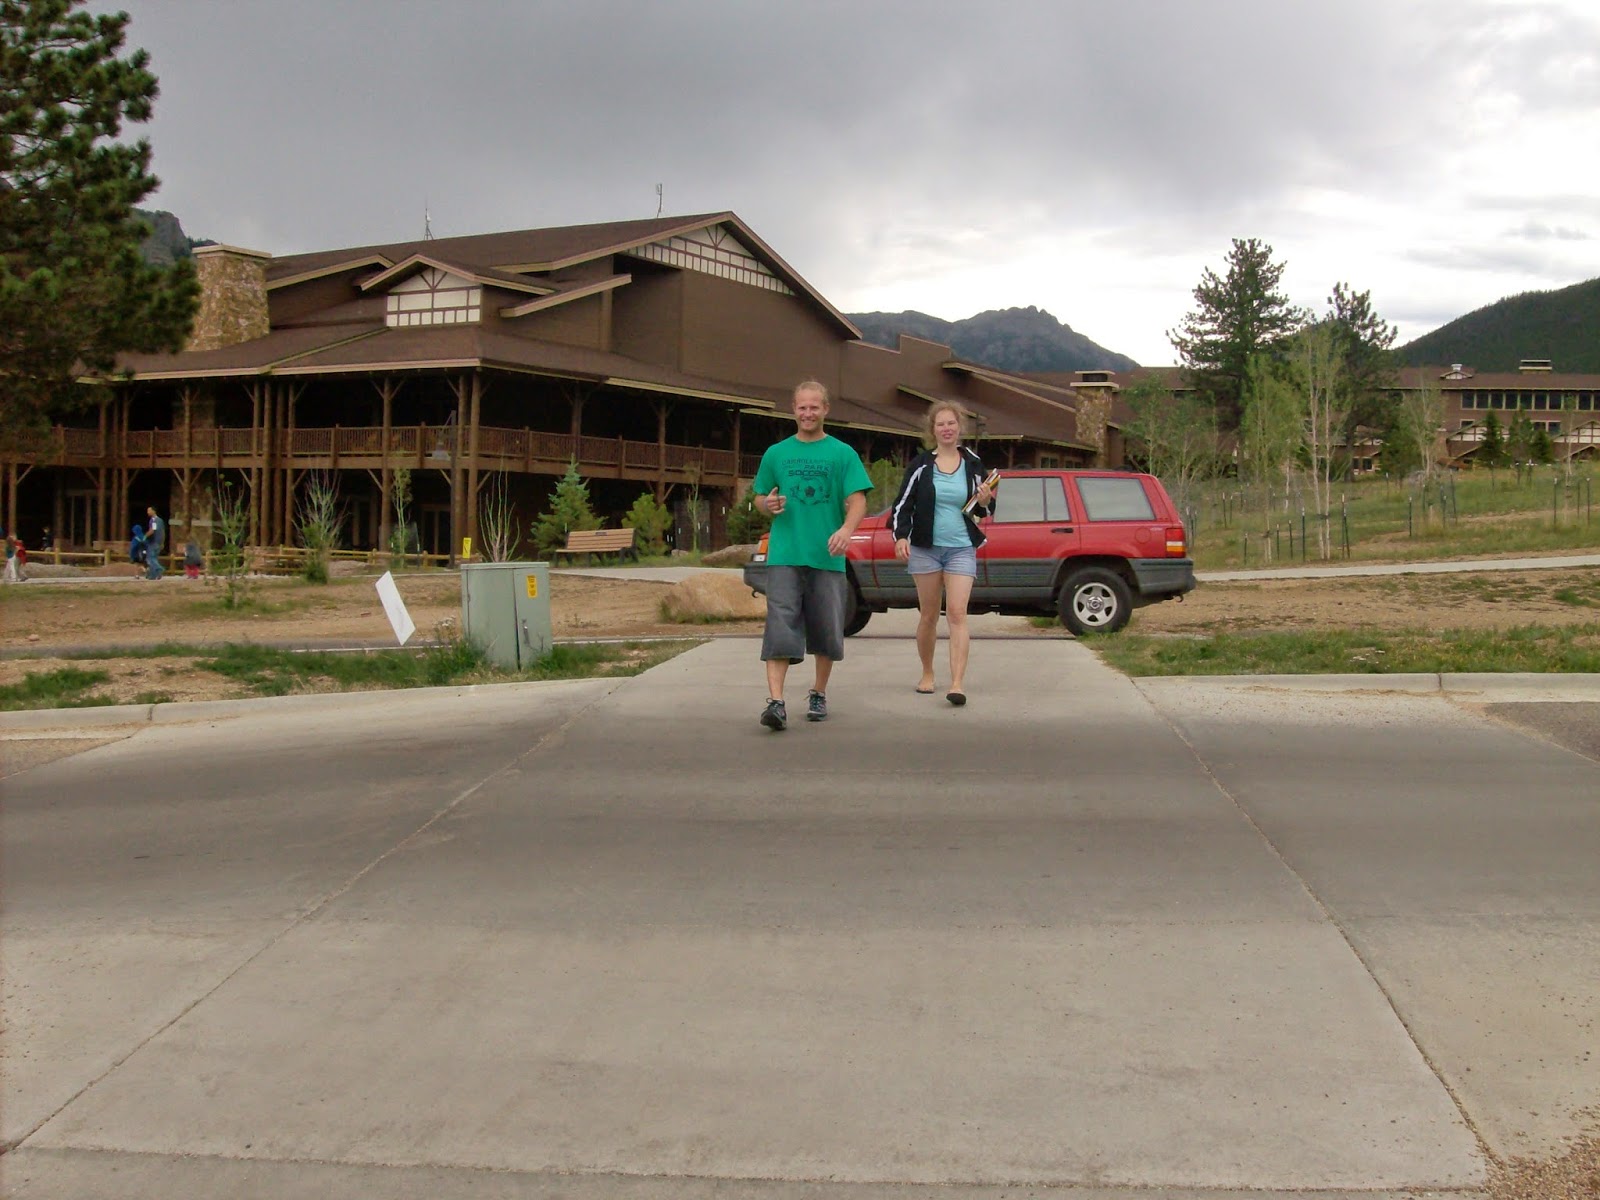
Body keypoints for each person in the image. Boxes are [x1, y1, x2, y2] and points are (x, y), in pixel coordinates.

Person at [750, 380, 874, 731]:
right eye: (802, 407)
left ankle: (818, 692)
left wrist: (847, 530)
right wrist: (767, 504)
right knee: (780, 626)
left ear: (825, 410)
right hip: (786, 555)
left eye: (814, 407)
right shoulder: (776, 454)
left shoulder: (842, 453)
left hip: (827, 555)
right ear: (793, 409)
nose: (808, 413)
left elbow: (859, 499)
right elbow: (759, 497)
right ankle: (776, 703)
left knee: (826, 629)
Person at [889, 402, 995, 705]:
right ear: (932, 430)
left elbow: (985, 509)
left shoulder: (973, 463)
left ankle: (957, 683)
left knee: (958, 614)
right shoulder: (921, 465)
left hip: (961, 547)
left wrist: (985, 500)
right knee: (929, 615)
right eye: (940, 424)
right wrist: (900, 537)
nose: (946, 429)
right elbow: (902, 504)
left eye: (951, 423)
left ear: (959, 427)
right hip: (926, 549)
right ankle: (927, 673)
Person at [144, 506, 165, 580]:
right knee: (155, 558)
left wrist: (144, 536)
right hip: (159, 542)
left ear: (154, 511)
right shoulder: (161, 520)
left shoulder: (153, 520)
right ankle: (154, 575)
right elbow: (163, 532)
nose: (148, 512)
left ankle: (159, 568)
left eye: (149, 510)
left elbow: (152, 530)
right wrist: (162, 542)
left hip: (153, 542)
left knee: (150, 558)